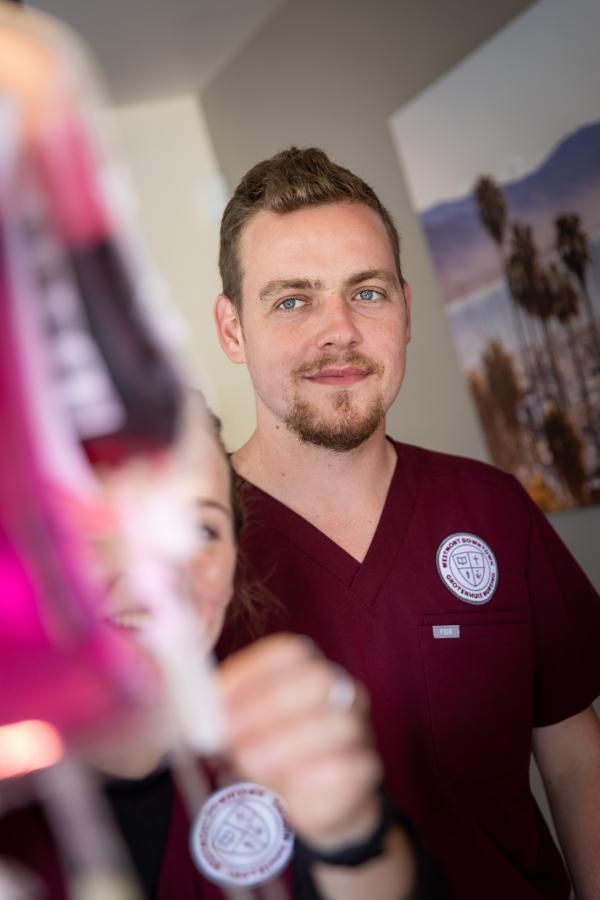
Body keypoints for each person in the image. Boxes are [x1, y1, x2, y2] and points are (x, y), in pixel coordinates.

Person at [213, 147, 600, 900]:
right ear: (232, 330)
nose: (339, 332)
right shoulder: (192, 562)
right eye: (293, 300)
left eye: (367, 292)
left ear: (406, 309)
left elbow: (573, 756)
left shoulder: (491, 508)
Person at [0, 412, 429, 900]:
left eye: (200, 531)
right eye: (103, 523)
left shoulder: (270, 741)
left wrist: (349, 831)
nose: (159, 578)